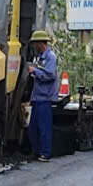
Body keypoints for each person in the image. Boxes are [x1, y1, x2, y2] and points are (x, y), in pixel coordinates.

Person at [25, 32, 60, 161]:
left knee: (44, 127)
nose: (34, 46)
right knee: (33, 128)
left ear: (41, 43)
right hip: (37, 97)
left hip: (45, 97)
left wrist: (35, 71)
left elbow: (50, 76)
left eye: (35, 43)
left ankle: (45, 153)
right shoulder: (39, 57)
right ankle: (36, 151)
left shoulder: (50, 57)